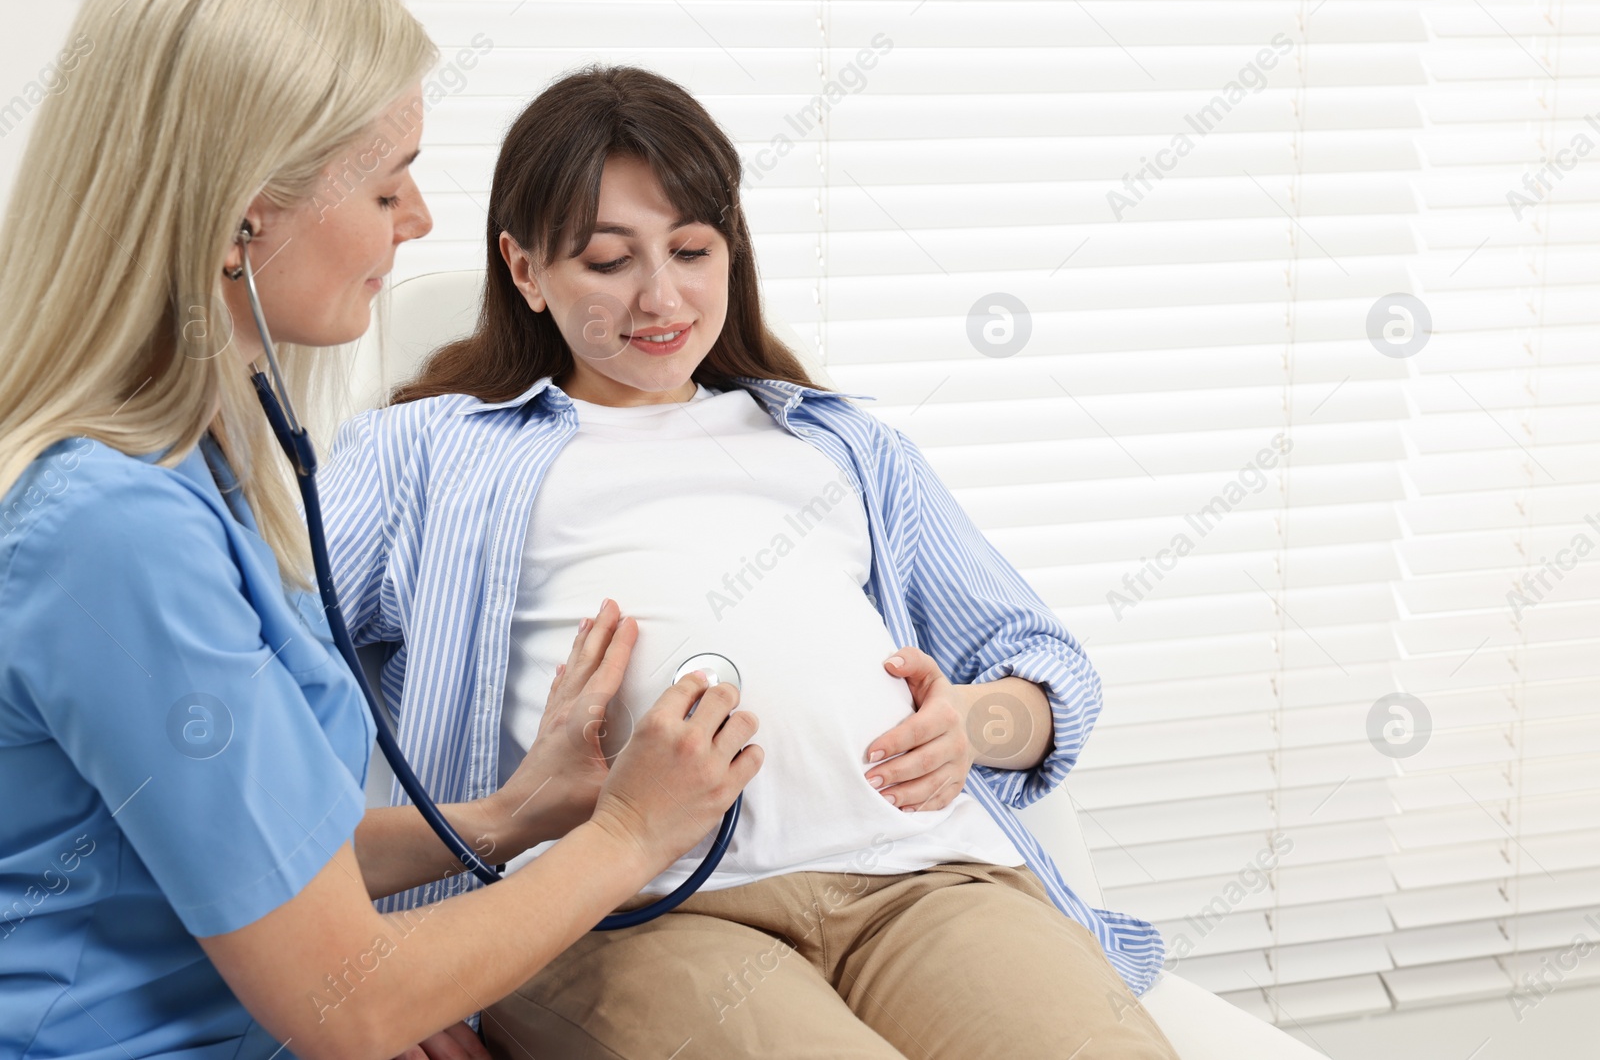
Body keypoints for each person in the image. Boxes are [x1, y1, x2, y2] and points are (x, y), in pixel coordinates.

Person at [321, 65, 1178, 1058]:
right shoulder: (425, 453)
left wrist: (972, 724)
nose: (661, 296)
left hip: (924, 881)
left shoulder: (842, 442)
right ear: (524, 270)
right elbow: (260, 692)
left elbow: (1041, 666)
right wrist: (393, 967)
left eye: (691, 249)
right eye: (607, 262)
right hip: (628, 911)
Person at [0, 0, 759, 1060]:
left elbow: (259, 850)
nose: (418, 220)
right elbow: (345, 1004)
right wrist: (631, 833)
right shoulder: (111, 535)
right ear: (237, 219)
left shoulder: (184, 474)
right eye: (386, 182)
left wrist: (515, 810)